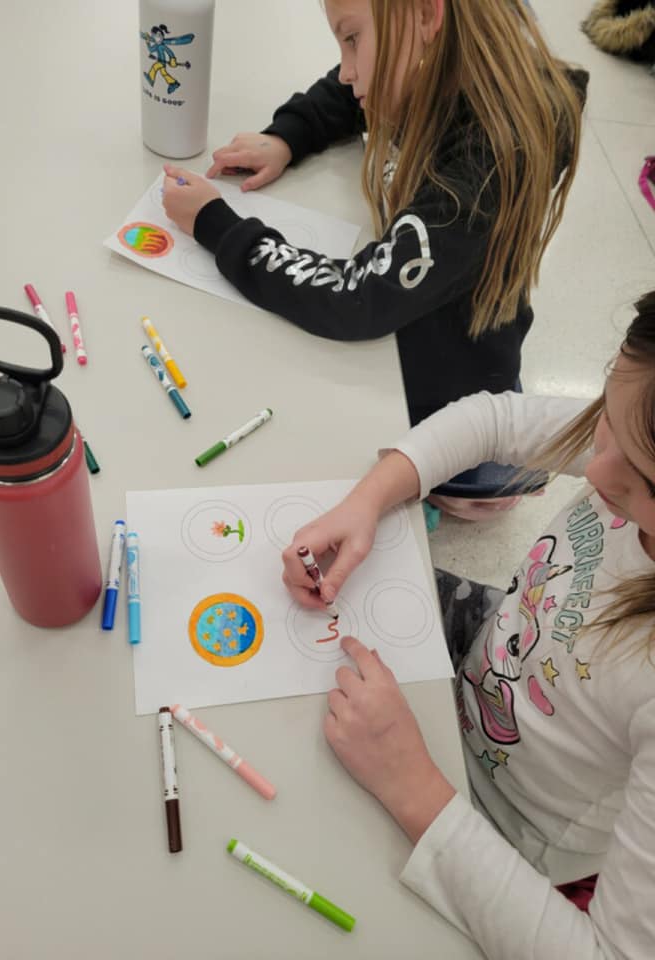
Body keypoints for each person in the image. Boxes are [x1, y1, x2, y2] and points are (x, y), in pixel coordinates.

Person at [281, 290, 655, 957]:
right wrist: (367, 501)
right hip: (496, 654)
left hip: (503, 821)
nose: (595, 470)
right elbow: (493, 419)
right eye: (607, 411)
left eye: (647, 482)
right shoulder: (636, 431)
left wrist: (408, 780)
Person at [161, 0, 587, 436]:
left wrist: (217, 226)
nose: (347, 71)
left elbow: (358, 299)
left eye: (352, 39)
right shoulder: (444, 61)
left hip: (449, 413)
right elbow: (355, 89)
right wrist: (290, 136)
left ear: (426, 15)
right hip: (407, 350)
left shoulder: (484, 163)